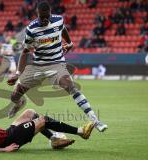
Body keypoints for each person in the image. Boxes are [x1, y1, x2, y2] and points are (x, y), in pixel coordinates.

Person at [6, 1, 108, 132]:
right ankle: (19, 104)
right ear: (37, 14)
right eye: (42, 17)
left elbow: (63, 29)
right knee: (14, 95)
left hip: (56, 63)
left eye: (47, 16)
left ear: (50, 13)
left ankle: (95, 120)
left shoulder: (58, 20)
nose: (45, 20)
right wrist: (18, 73)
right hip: (38, 65)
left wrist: (70, 42)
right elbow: (25, 51)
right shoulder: (31, 29)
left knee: (71, 87)